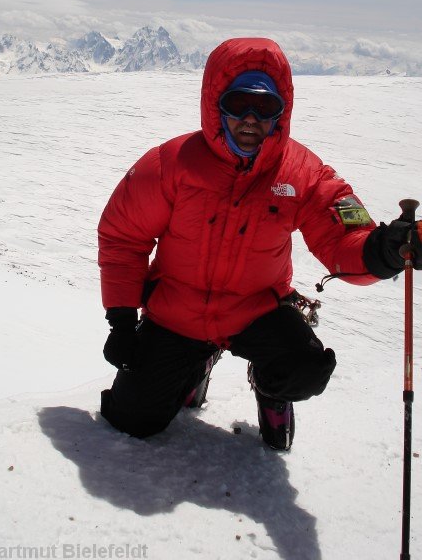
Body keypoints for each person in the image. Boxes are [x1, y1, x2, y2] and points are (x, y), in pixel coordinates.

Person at [97, 37, 421, 450]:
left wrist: (384, 250)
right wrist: (123, 320)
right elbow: (123, 237)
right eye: (238, 104)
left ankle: (271, 388)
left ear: (281, 114)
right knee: (131, 420)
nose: (250, 119)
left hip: (258, 309)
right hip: (177, 311)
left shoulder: (303, 173)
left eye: (265, 107)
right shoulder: (169, 165)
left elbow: (343, 237)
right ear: (217, 106)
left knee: (305, 368)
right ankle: (196, 364)